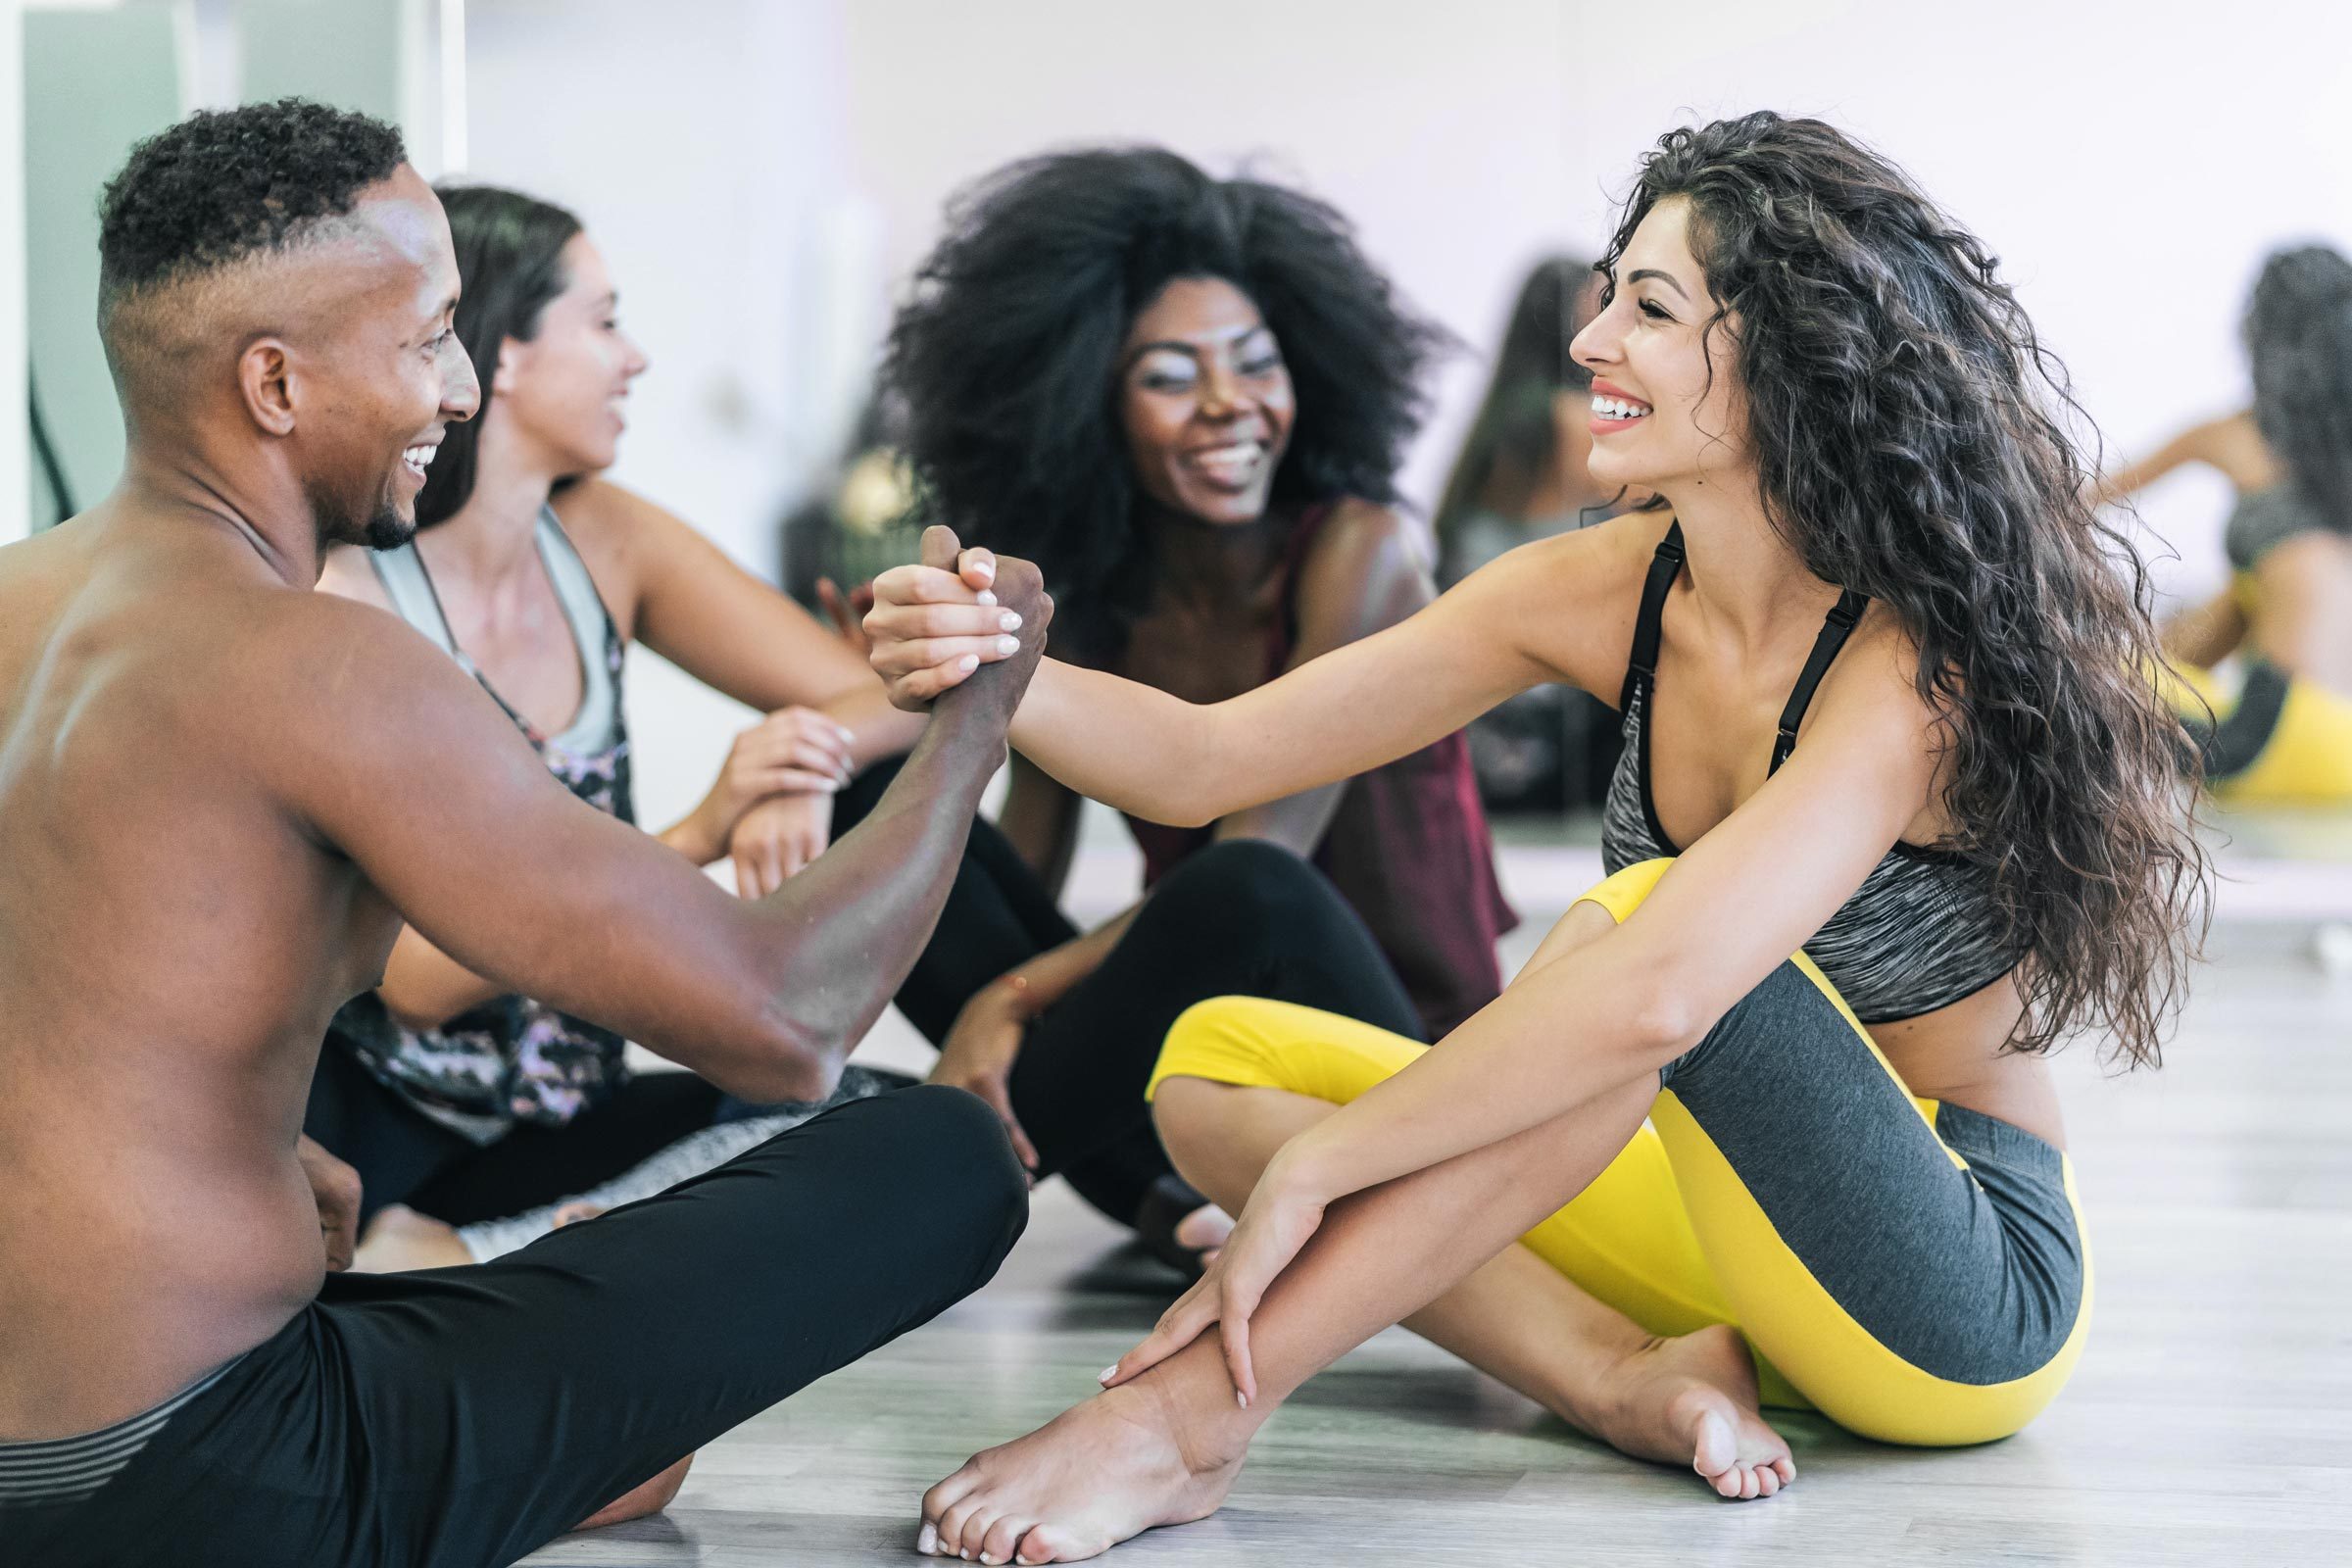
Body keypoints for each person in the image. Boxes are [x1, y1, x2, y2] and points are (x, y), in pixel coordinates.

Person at [865, 112, 2208, 1564]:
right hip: (1724, 1231)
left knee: (1643, 940)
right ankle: (1632, 1376)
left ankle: (1184, 1423)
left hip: (1950, 1286)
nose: (1587, 343)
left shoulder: (1905, 670)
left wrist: (1334, 1170)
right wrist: (1000, 667)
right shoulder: (1603, 587)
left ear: (1790, 353)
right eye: (1604, 296)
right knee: (1214, 1071)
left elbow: (1667, 994)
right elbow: (1211, 759)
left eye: (1650, 305)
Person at [0, 101, 1037, 1568]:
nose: (462, 391)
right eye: (427, 340)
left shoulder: (18, 605)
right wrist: (980, 716)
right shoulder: (321, 669)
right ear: (277, 385)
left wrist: (269, 1151)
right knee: (938, 1151)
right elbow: (786, 1022)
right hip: (194, 1479)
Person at [854, 148, 1518, 1267]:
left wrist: (1009, 1003)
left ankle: (896, 1198)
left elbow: (1263, 864)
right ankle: (1152, 1192)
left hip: (1400, 1050)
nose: (1229, 405)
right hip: (1192, 1057)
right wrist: (917, 729)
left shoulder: (1360, 556)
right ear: (1085, 406)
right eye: (1170, 376)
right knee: (881, 810)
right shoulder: (1095, 600)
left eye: (1257, 364)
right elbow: (1020, 862)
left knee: (1240, 886)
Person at [301, 182, 931, 1248]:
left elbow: (890, 697)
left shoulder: (605, 539)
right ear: (499, 352)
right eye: (603, 322)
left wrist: (798, 760)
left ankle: (470, 1250)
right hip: (378, 1114)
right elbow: (413, 981)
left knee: (892, 1121)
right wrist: (703, 829)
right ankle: (445, 1244)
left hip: (556, 1115)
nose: (634, 359)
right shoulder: (347, 597)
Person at [2097, 244, 2352, 803]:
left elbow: (2082, 498)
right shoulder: (2338, 480)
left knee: (2076, 672)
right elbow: (2217, 633)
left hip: (2267, 735)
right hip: (2342, 749)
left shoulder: (2237, 436)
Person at [1430, 254, 1630, 812]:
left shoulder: (1500, 419)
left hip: (1479, 710)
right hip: (1532, 725)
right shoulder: (1568, 422)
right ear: (1565, 317)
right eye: (1607, 301)